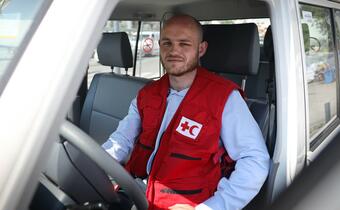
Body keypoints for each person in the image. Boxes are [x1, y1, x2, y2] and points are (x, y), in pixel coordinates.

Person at [102, 14, 270, 210]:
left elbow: (255, 160)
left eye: (184, 44)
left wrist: (212, 207)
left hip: (186, 203)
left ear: (201, 49)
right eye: (167, 43)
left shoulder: (224, 98)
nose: (174, 51)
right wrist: (92, 168)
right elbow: (120, 141)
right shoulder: (147, 94)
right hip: (135, 192)